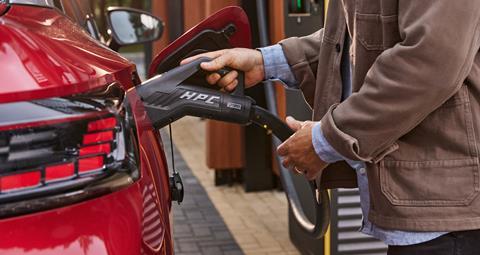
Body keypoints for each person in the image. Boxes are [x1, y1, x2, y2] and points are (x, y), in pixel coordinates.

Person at [182, 0, 480, 254]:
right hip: (426, 208)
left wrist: (324, 140)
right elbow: (356, 38)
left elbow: (429, 60)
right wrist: (265, 62)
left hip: (450, 216)